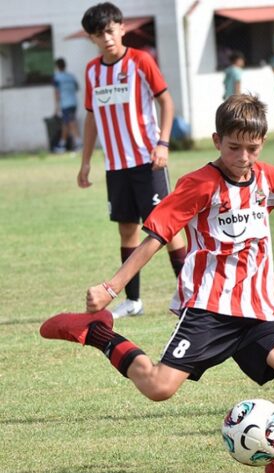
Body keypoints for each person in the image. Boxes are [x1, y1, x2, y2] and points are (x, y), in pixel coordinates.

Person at [40, 93, 274, 473]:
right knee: (159, 387)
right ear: (216, 141)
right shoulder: (199, 185)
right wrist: (110, 288)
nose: (244, 157)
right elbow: (155, 238)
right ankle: (96, 332)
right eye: (234, 147)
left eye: (253, 148)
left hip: (258, 309)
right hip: (210, 307)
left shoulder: (265, 178)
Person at [77, 2, 186, 319]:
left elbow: (166, 101)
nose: (107, 38)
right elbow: (91, 117)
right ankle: (133, 300)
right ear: (92, 39)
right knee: (127, 230)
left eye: (110, 30)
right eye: (99, 34)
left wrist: (163, 143)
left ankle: (188, 295)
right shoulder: (92, 71)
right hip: (115, 166)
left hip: (147, 161)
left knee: (165, 228)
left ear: (121, 28)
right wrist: (85, 162)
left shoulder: (141, 61)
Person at [53, 58, 82, 153]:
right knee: (65, 124)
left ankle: (78, 142)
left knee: (71, 122)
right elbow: (77, 87)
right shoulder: (71, 76)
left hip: (65, 104)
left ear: (57, 66)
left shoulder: (57, 78)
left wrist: (56, 108)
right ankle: (62, 144)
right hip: (73, 102)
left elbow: (57, 93)